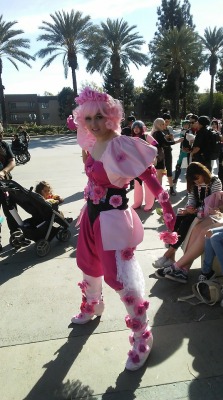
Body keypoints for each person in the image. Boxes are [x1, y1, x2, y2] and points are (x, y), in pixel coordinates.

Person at [67, 87, 176, 371]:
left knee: (120, 278)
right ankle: (93, 304)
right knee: (88, 264)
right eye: (87, 118)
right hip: (90, 216)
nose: (93, 124)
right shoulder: (93, 141)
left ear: (112, 116)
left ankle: (143, 336)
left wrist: (165, 204)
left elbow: (148, 175)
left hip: (113, 222)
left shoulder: (122, 144)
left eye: (99, 117)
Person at [154, 162, 222, 276]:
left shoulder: (214, 182)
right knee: (181, 217)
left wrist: (195, 210)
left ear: (203, 172)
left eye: (197, 178)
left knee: (193, 226)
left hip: (209, 214)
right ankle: (175, 260)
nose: (197, 182)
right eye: (193, 180)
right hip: (202, 212)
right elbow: (191, 200)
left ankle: (172, 257)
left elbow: (213, 203)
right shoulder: (193, 185)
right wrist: (189, 208)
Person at [0, 132, 21, 251]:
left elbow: (12, 161)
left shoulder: (3, 145)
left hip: (5, 184)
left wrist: (4, 171)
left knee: (11, 210)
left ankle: (16, 234)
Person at [131, 120, 158, 211]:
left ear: (142, 128)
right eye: (134, 128)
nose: (136, 130)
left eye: (138, 128)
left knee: (148, 185)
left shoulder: (146, 136)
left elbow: (155, 145)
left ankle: (149, 203)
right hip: (136, 166)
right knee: (137, 185)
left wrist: (146, 146)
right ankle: (137, 202)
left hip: (147, 165)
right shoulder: (132, 138)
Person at [151, 118, 183, 190]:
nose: (164, 125)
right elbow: (165, 143)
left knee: (159, 174)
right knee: (160, 174)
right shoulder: (158, 133)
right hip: (161, 156)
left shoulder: (154, 132)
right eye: (162, 124)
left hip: (157, 156)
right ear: (158, 125)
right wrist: (177, 141)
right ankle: (160, 193)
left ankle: (158, 192)